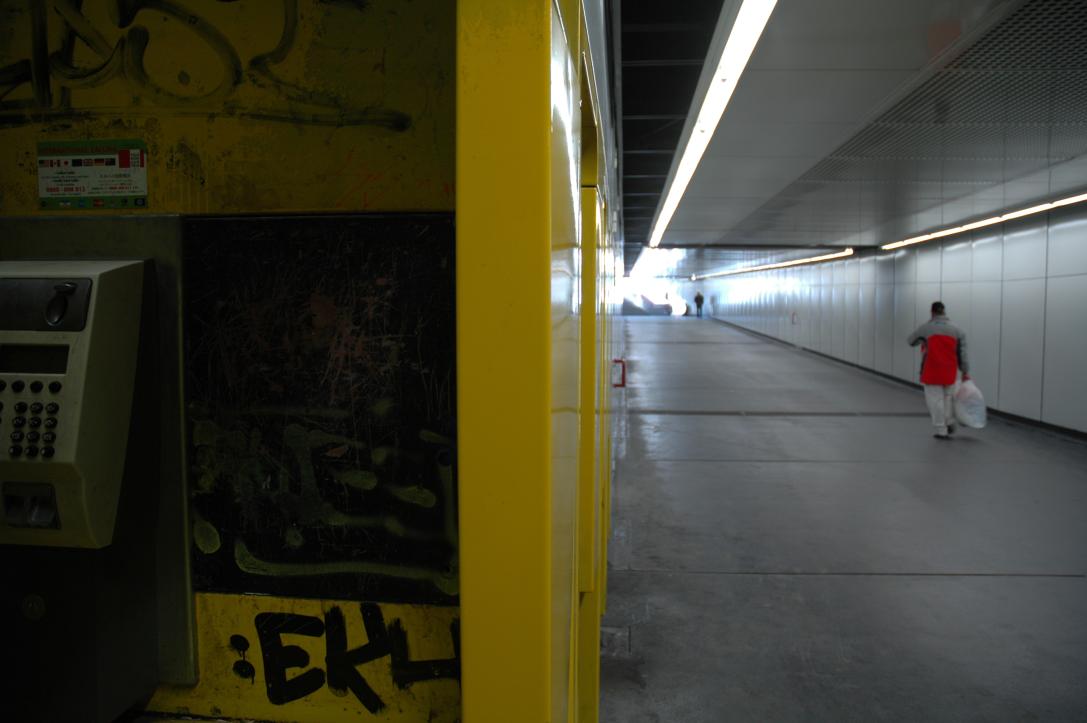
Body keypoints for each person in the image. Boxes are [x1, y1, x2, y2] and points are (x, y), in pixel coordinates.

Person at [908, 301, 969, 440]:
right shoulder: (957, 330)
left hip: (932, 370)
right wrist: (965, 371)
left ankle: (942, 430)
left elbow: (911, 341)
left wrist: (924, 339)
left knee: (935, 401)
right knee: (948, 398)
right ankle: (949, 421)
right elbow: (963, 353)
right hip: (950, 371)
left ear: (932, 312)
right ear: (944, 312)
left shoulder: (926, 328)